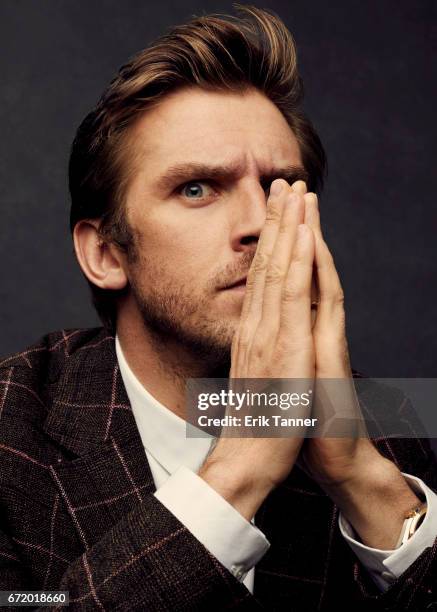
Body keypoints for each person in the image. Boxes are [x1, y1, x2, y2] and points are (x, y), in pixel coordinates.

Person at [0, 5, 436, 610]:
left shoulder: (382, 426)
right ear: (105, 253)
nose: (260, 222)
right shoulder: (10, 427)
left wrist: (363, 481)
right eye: (197, 188)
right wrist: (241, 467)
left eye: (283, 188)